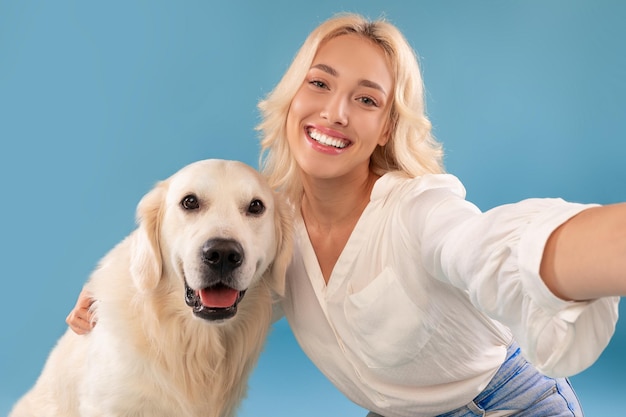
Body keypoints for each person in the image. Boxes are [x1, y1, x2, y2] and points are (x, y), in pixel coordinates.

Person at [66, 13, 625, 417]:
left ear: (386, 126)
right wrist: (107, 294)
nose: (335, 112)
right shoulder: (273, 224)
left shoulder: (419, 212)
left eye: (366, 98)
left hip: (502, 407)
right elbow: (189, 246)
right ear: (292, 100)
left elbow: (494, 246)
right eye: (320, 83)